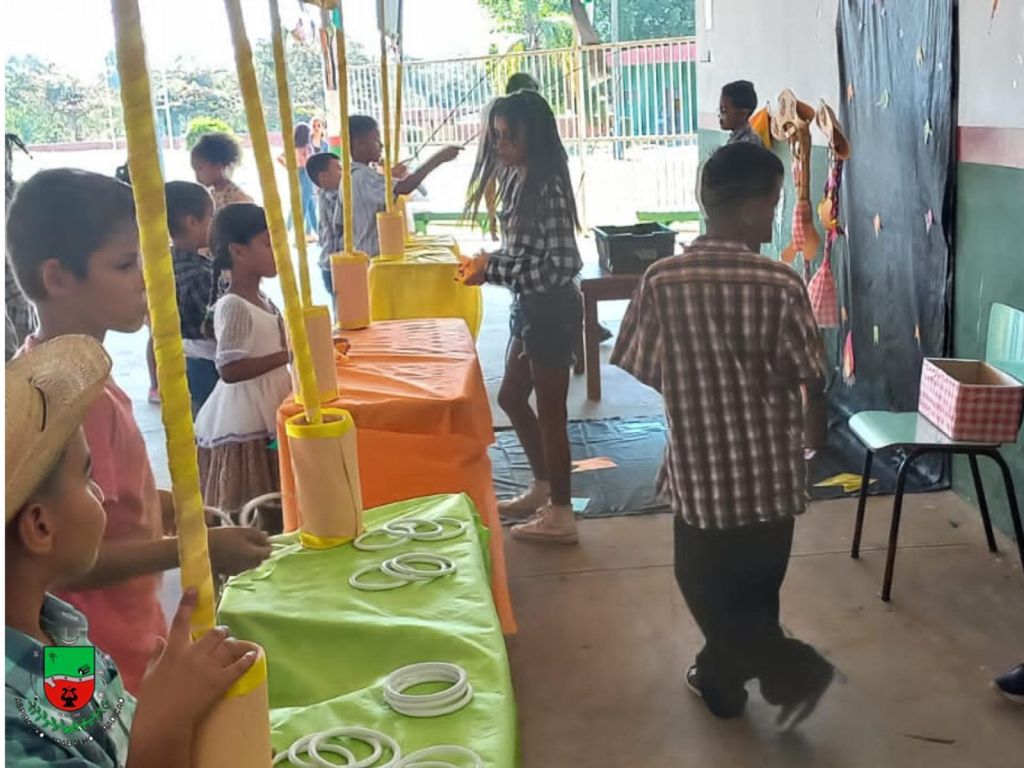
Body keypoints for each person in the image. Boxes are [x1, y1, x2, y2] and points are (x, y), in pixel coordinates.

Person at [6, 168, 271, 692]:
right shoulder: (62, 404)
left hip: (130, 633)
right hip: (94, 658)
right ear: (57, 278)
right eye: (127, 265)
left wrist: (179, 510)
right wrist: (194, 546)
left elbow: (118, 504)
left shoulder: (87, 378)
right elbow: (62, 563)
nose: (148, 278)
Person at [610, 143, 833, 726]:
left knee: (703, 584)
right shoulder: (781, 282)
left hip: (702, 473)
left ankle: (730, 680)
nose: (775, 217)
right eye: (775, 204)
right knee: (759, 590)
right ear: (752, 208)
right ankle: (771, 669)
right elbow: (810, 374)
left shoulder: (662, 280)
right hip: (771, 475)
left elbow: (643, 364)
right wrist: (813, 433)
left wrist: (698, 387)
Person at [5, 335, 260, 767]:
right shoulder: (11, 734)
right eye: (87, 477)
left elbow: (116, 744)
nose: (100, 494)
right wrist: (166, 722)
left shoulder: (59, 630)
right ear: (40, 527)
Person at [463, 90, 583, 544]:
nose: (499, 145)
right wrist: (490, 261)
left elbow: (560, 265)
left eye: (507, 137)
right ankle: (544, 486)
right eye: (496, 136)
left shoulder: (548, 186)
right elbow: (523, 252)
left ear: (533, 136)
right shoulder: (516, 177)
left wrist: (492, 270)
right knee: (512, 397)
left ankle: (562, 513)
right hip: (529, 306)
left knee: (551, 414)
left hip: (551, 309)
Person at [194, 203, 292, 515]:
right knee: (257, 500)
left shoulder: (262, 299)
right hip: (248, 412)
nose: (278, 251)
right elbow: (229, 368)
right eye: (268, 244)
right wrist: (289, 355)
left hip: (270, 397)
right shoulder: (235, 305)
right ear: (238, 251)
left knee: (278, 491)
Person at [348, 114, 461, 256]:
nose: (382, 145)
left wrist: (392, 176)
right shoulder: (362, 176)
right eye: (376, 140)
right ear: (360, 144)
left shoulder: (354, 175)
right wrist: (438, 159)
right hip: (374, 254)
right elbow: (405, 187)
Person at [165, 181, 219, 416]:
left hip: (184, 359)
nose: (214, 222)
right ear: (192, 222)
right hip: (207, 363)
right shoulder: (199, 275)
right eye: (211, 216)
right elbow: (216, 327)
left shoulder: (167, 264)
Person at [307, 151, 345, 296]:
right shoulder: (332, 197)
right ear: (323, 177)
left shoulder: (325, 194)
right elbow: (340, 224)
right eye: (339, 169)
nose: (344, 173)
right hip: (335, 264)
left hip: (331, 264)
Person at [191, 132, 253, 210]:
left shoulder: (238, 199)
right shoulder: (209, 196)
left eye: (199, 168)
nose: (197, 176)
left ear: (218, 165)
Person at [279, 122, 318, 241]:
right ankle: (295, 234)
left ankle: (316, 232)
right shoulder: (307, 147)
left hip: (296, 173)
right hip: (306, 174)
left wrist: (289, 168)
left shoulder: (291, 147)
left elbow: (279, 158)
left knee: (309, 206)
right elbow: (310, 163)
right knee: (303, 206)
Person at [720, 80, 762, 146]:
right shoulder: (736, 138)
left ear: (742, 114)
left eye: (724, 110)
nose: (720, 115)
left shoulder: (748, 143)